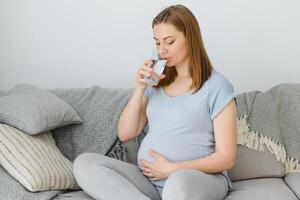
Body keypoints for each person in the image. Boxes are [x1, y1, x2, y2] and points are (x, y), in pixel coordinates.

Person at [73, 4, 237, 200]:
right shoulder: (156, 83)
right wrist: (140, 87)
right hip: (149, 181)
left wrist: (171, 169)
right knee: (85, 163)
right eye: (157, 42)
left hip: (197, 180)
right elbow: (125, 134)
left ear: (190, 39)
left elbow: (226, 158)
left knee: (177, 185)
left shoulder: (217, 86)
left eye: (169, 42)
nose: (162, 50)